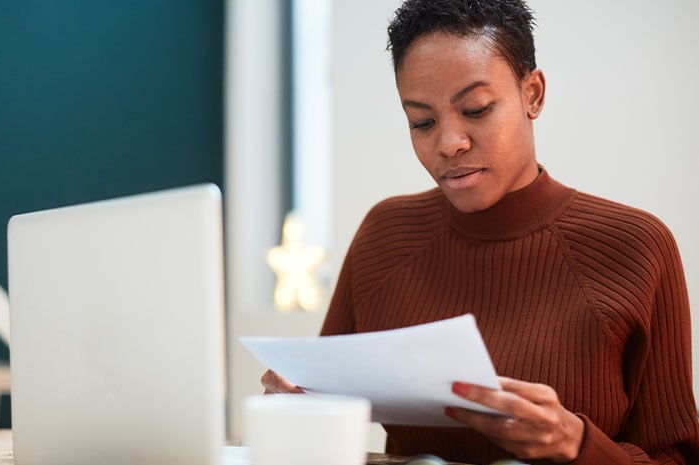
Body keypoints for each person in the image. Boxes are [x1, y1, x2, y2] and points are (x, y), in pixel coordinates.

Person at [260, 0, 699, 463]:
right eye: (422, 122)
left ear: (532, 94)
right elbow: (322, 413)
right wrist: (293, 409)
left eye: (476, 109)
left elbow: (678, 457)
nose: (449, 143)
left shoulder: (636, 247)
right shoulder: (385, 236)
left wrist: (578, 445)